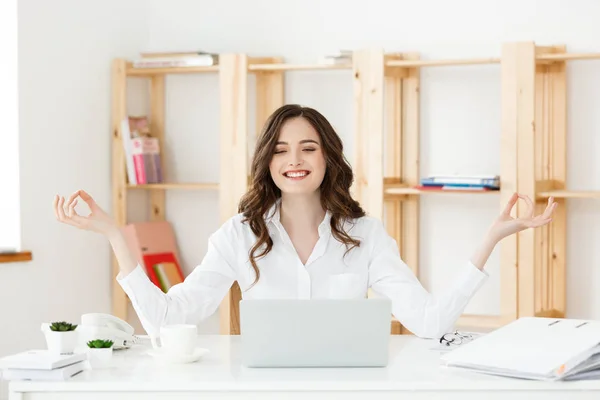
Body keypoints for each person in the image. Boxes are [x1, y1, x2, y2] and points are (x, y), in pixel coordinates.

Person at [53, 104, 557, 339]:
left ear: (327, 158)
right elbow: (165, 322)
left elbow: (429, 323)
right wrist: (116, 237)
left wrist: (492, 237)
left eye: (308, 148)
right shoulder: (238, 235)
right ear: (267, 162)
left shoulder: (365, 235)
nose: (294, 160)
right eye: (281, 150)